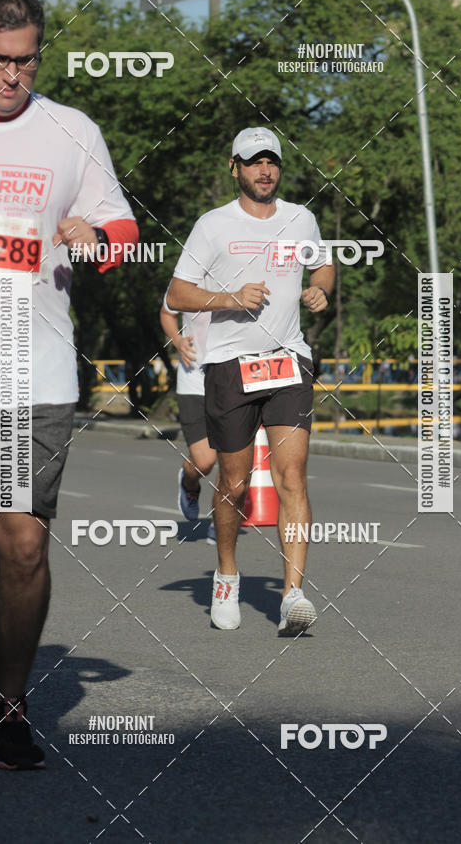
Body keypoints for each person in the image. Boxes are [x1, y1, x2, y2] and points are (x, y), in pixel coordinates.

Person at [0, 0, 138, 769]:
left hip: (36, 376)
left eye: (26, 61)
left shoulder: (69, 130)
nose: (12, 77)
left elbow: (120, 228)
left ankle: (10, 707)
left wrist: (96, 235)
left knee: (22, 545)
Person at [166, 127, 334, 635]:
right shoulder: (213, 226)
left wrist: (320, 291)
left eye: (272, 162)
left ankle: (293, 594)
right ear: (234, 167)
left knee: (292, 478)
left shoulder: (300, 219)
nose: (265, 171)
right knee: (234, 484)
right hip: (230, 367)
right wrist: (229, 298)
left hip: (288, 362)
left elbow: (322, 268)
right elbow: (177, 293)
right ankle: (226, 575)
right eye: (253, 162)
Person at [159, 297, 217, 543]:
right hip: (193, 380)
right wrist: (178, 340)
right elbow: (167, 313)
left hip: (231, 382)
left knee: (233, 462)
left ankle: (221, 521)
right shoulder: (187, 277)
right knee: (204, 462)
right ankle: (189, 482)